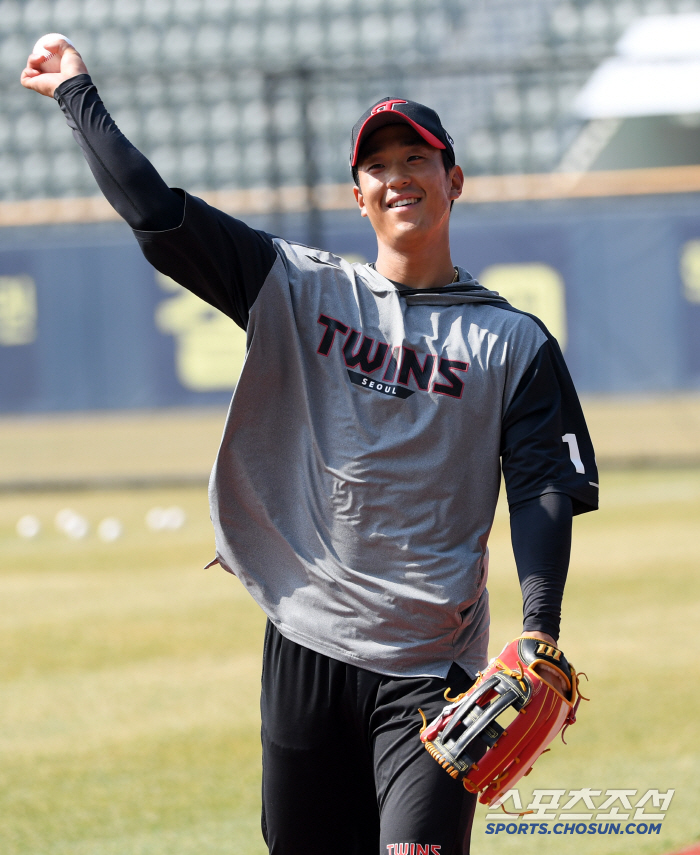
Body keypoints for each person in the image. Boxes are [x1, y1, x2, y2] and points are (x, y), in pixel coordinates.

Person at [22, 38, 598, 855]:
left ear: (454, 181)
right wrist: (78, 94)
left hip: (430, 670)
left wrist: (541, 625)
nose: (398, 174)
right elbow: (158, 217)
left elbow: (545, 484)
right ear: (358, 195)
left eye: (417, 158)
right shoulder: (298, 287)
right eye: (379, 165)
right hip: (306, 643)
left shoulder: (512, 340)